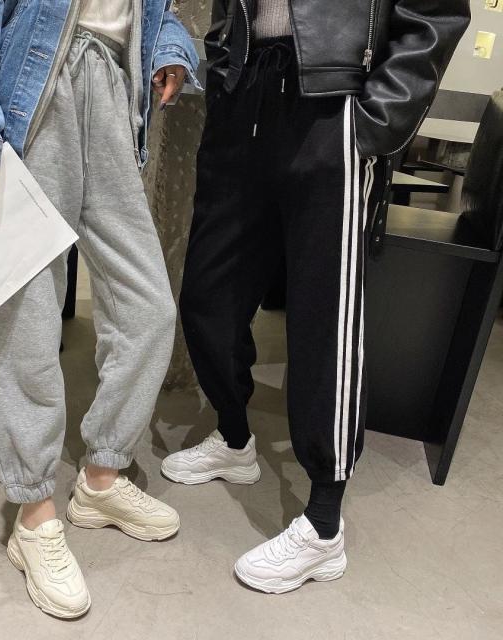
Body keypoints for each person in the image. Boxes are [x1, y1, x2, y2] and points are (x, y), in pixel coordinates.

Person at [162, 0, 470, 593]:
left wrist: (374, 121)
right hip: (246, 93)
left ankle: (324, 524)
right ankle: (234, 438)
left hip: (334, 106)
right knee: (208, 294)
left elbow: (435, 15)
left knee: (323, 318)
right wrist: (226, 66)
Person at [0, 0, 199, 619]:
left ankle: (101, 479)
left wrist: (167, 48)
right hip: (41, 86)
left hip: (116, 88)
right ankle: (34, 511)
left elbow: (153, 11)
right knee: (27, 316)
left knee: (149, 306)